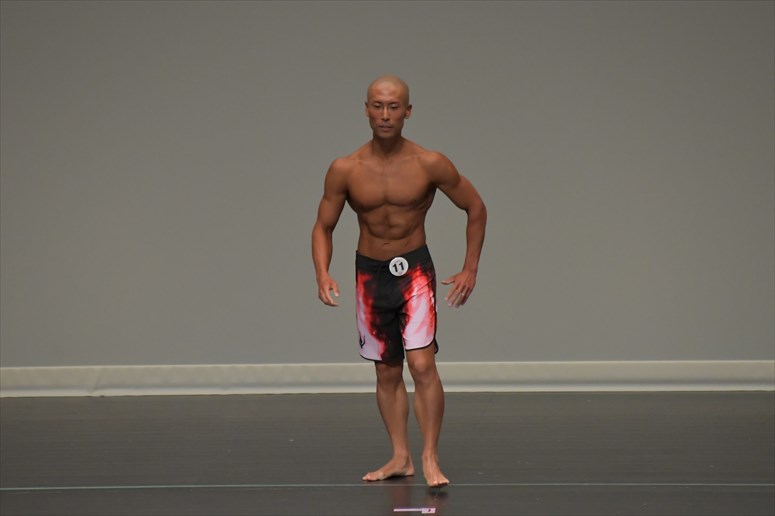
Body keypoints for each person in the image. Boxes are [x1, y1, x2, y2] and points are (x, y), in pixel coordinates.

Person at [311, 75, 486, 488]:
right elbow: (323, 226)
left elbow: (475, 207)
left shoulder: (429, 163)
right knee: (387, 372)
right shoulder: (345, 168)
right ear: (366, 110)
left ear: (407, 111)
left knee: (422, 364)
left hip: (414, 272)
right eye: (377, 105)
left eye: (393, 106)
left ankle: (429, 455)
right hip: (370, 275)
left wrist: (470, 268)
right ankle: (400, 457)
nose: (385, 114)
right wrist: (322, 272)